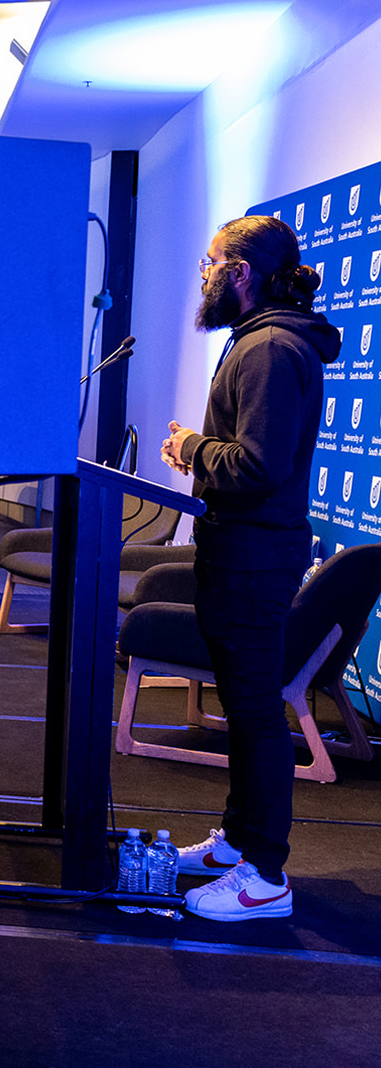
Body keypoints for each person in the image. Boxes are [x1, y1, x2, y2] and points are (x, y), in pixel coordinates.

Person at [157, 216, 337, 922]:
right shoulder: (261, 340)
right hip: (242, 551)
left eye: (210, 264)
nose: (203, 276)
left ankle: (265, 876)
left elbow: (259, 465)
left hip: (255, 558)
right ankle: (237, 843)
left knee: (258, 713)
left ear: (240, 272)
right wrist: (201, 450)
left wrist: (193, 448)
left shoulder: (269, 348)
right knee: (244, 707)